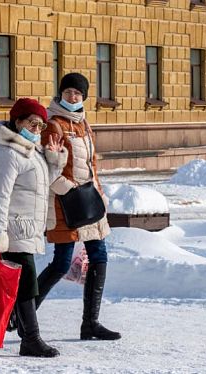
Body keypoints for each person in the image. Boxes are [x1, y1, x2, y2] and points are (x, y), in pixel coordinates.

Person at [37, 73, 121, 341]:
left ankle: (91, 323)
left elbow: (92, 165)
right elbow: (46, 169)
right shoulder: (53, 125)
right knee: (61, 263)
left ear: (84, 97)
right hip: (65, 204)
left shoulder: (84, 124)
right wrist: (69, 190)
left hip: (89, 201)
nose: (73, 97)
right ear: (61, 93)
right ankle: (19, 314)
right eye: (69, 92)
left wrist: (99, 192)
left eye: (78, 93)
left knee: (99, 256)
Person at [0, 98, 67, 357]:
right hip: (12, 229)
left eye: (41, 125)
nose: (37, 129)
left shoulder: (31, 150)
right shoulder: (6, 152)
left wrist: (54, 160)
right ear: (17, 121)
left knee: (16, 286)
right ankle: (30, 339)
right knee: (28, 283)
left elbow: (41, 186)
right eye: (32, 123)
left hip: (27, 227)